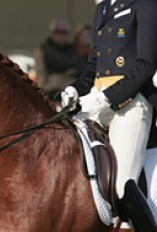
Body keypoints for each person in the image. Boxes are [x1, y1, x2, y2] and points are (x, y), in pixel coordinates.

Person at [60, 0, 157, 231]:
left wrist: (108, 98)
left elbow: (146, 65)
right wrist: (75, 89)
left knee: (123, 187)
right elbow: (93, 66)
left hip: (131, 104)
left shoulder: (144, 4)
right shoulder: (102, 8)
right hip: (96, 101)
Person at [34, 19, 81, 100]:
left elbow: (80, 67)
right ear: (51, 32)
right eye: (57, 31)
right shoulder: (43, 50)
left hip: (72, 91)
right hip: (51, 91)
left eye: (64, 32)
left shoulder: (72, 49)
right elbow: (41, 74)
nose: (60, 35)